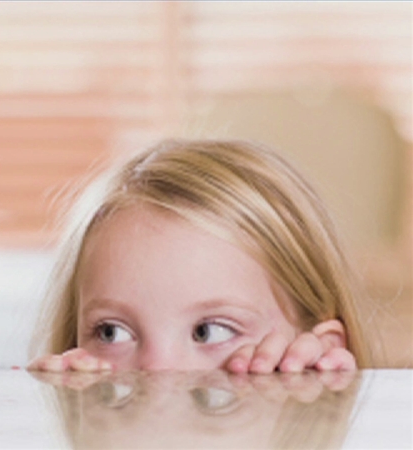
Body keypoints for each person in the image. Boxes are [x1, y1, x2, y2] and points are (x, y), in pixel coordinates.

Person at [27, 139, 372, 373]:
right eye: (110, 333)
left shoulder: (312, 387)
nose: (157, 375)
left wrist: (318, 409)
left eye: (209, 332)